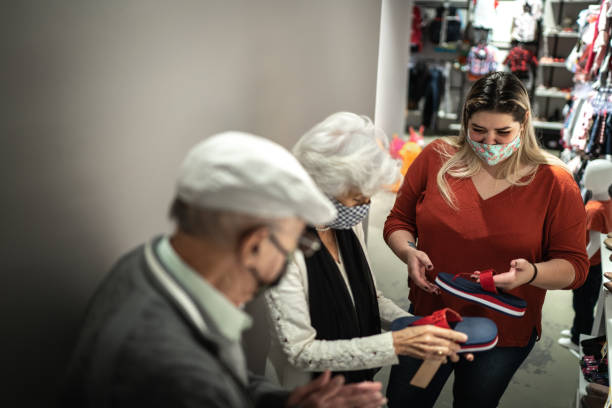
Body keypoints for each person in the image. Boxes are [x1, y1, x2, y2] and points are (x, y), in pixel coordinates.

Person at [60, 132, 388, 408]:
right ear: (254, 246)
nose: (290, 260)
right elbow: (205, 384)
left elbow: (225, 375)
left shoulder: (142, 265)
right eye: (292, 248)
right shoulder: (180, 377)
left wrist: (286, 403)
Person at [383, 72, 590, 408]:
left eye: (502, 132)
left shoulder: (555, 183)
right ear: (466, 120)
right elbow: (399, 221)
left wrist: (532, 274)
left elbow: (575, 267)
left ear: (523, 123)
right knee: (405, 401)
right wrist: (407, 251)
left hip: (503, 332)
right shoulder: (437, 157)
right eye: (478, 130)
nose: (489, 143)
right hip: (432, 316)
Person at [264, 112, 470, 390]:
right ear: (322, 188)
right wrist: (396, 343)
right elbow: (300, 351)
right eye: (357, 198)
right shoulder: (283, 248)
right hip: (309, 391)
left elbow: (371, 297)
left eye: (369, 197)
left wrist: (416, 327)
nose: (364, 207)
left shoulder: (344, 225)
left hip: (356, 381)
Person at [559, 159, 612, 352]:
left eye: (590, 173)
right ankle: (576, 332)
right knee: (585, 304)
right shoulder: (606, 203)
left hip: (589, 265)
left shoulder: (594, 208)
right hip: (596, 265)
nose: (585, 176)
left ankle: (578, 340)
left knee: (582, 305)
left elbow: (595, 242)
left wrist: (578, 262)